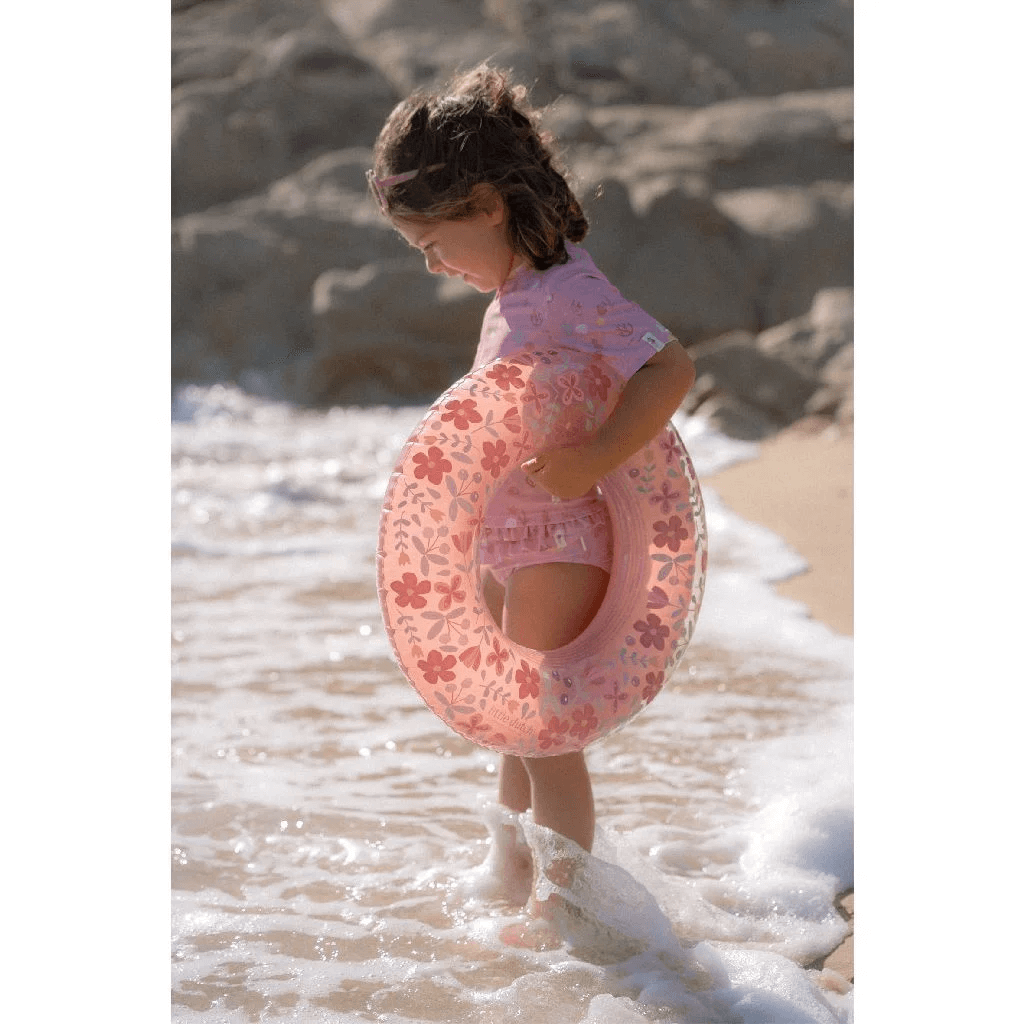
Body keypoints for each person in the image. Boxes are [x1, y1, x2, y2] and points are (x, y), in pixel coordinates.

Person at [368, 64, 695, 921]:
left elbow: (668, 366)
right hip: (511, 541)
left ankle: (564, 910)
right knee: (510, 723)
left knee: (545, 734)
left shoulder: (571, 290)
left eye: (434, 243)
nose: (435, 264)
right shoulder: (517, 293)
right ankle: (507, 873)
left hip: (565, 536)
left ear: (484, 203)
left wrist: (593, 459)